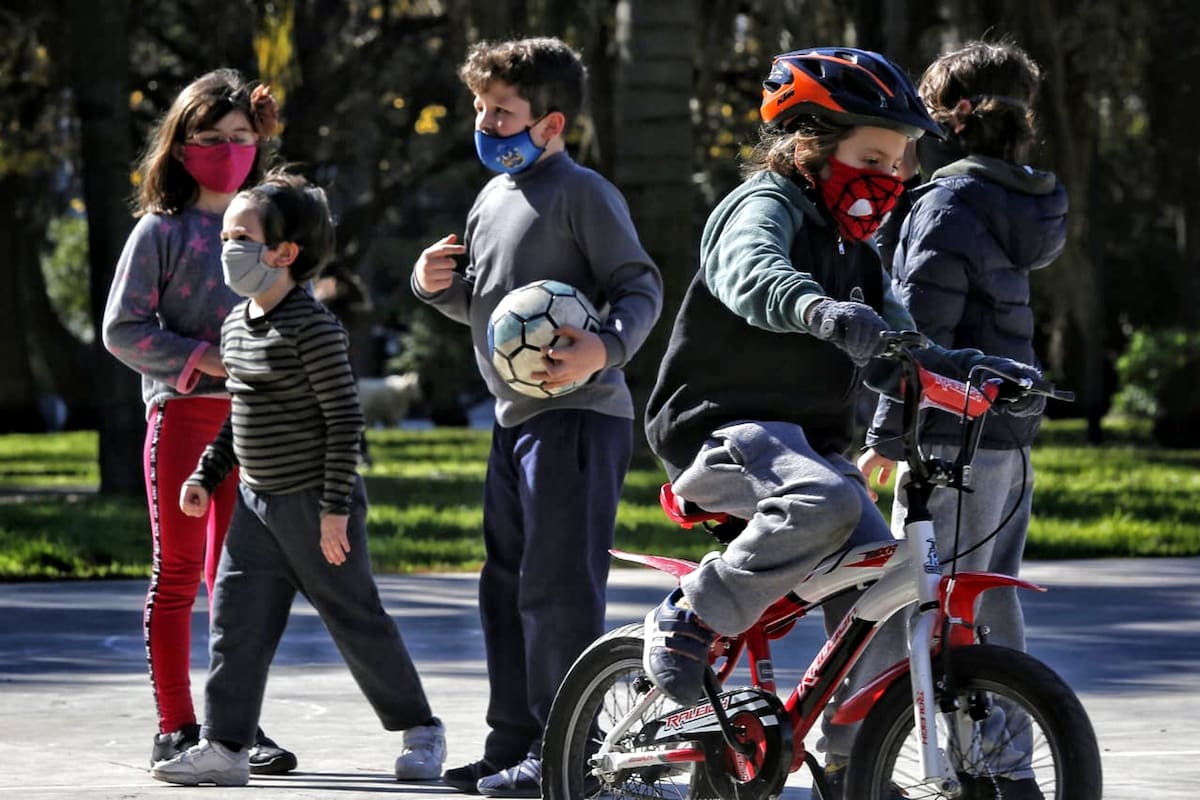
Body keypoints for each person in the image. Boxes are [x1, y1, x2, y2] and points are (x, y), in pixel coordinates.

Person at [640, 47, 1043, 797]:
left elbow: (906, 342)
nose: (889, 179)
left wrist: (975, 370)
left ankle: (849, 755)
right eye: (871, 158)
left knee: (878, 573)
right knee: (824, 504)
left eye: (900, 164)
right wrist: (821, 311)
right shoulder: (765, 206)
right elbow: (752, 272)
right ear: (808, 144)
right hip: (726, 430)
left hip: (806, 447)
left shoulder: (854, 246)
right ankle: (689, 616)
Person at [412, 36, 663, 798]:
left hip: (579, 418)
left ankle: (568, 750)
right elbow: (492, 311)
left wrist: (606, 349)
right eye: (482, 109)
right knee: (506, 585)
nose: (487, 124)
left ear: (551, 125)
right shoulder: (491, 198)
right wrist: (434, 287)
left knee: (557, 589)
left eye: (504, 112)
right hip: (514, 419)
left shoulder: (584, 193)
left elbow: (640, 285)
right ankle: (512, 741)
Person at [149, 169, 446, 786]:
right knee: (234, 624)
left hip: (316, 508)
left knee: (356, 621)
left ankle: (420, 729)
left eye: (240, 238)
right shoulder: (235, 325)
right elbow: (241, 414)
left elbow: (345, 421)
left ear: (285, 253)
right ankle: (225, 748)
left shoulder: (313, 328)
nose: (227, 249)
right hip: (254, 509)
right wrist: (208, 474)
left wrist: (335, 509)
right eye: (226, 235)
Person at [101, 68, 296, 774]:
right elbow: (122, 329)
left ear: (259, 145)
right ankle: (176, 725)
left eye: (240, 137)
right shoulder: (163, 230)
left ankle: (234, 727)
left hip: (258, 427)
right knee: (181, 572)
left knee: (239, 581)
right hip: (183, 420)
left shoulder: (275, 234)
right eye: (209, 138)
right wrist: (205, 358)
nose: (225, 149)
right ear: (180, 148)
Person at [859, 40, 1066, 658]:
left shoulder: (948, 205)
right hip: (1006, 429)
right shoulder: (1019, 202)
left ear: (947, 120)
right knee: (985, 595)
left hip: (947, 433)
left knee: (920, 596)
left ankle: (857, 745)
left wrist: (884, 440)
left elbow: (917, 338)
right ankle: (1005, 754)